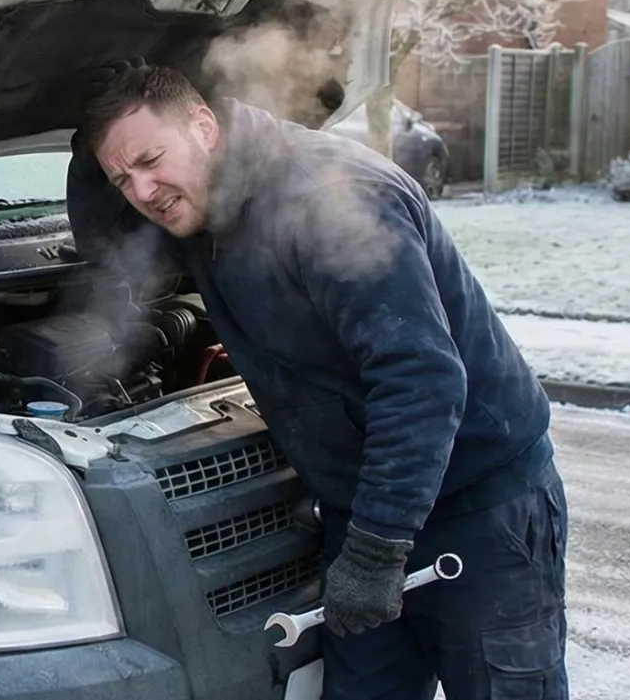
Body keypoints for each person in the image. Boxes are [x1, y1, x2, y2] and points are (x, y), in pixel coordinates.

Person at [66, 59, 569, 700]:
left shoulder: (332, 199)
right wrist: (92, 141)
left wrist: (378, 548)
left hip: (481, 507)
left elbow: (421, 380)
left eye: (150, 159)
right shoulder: (197, 204)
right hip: (365, 512)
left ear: (203, 126)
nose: (142, 190)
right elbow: (110, 252)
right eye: (122, 178)